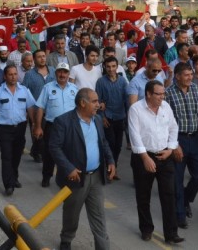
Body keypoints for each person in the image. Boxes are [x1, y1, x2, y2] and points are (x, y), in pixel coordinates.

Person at [49, 88, 116, 250]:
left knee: (98, 215)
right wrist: (68, 168)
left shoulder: (98, 120)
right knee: (72, 214)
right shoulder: (63, 121)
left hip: (96, 177)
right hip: (76, 178)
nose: (98, 105)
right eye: (94, 101)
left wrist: (111, 161)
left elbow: (104, 142)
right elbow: (54, 147)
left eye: (97, 101)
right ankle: (66, 239)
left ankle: (103, 247)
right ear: (82, 103)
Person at [129, 80, 183, 244]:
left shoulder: (166, 107)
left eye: (163, 93)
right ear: (148, 94)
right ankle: (146, 229)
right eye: (158, 94)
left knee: (169, 195)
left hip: (165, 156)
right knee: (143, 196)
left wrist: (171, 149)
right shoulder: (136, 109)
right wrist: (145, 158)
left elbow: (173, 128)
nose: (162, 97)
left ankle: (171, 234)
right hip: (143, 157)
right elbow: (134, 135)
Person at [165, 62, 198, 230]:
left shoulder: (196, 90)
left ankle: (185, 198)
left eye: (191, 74)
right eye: (186, 75)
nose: (190, 77)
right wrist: (173, 144)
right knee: (177, 179)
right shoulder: (168, 94)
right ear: (177, 76)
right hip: (178, 141)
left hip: (196, 139)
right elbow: (165, 122)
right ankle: (180, 215)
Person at [0, 65, 37, 196]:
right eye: (10, 74)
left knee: (16, 155)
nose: (13, 77)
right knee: (6, 156)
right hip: (3, 129)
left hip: (20, 128)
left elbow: (31, 108)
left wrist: (34, 124)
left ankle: (14, 177)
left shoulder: (24, 90)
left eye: (15, 74)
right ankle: (8, 185)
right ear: (5, 76)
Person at [34, 62, 79, 188]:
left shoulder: (74, 89)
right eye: (59, 71)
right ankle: (46, 177)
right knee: (49, 153)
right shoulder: (48, 88)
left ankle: (64, 179)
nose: (62, 74)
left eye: (65, 72)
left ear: (69, 74)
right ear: (55, 73)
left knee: (68, 153)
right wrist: (38, 126)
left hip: (70, 127)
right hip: (52, 126)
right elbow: (40, 108)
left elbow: (78, 109)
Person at [95, 56, 128, 174]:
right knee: (110, 143)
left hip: (120, 117)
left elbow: (126, 100)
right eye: (108, 67)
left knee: (118, 145)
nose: (111, 69)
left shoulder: (123, 81)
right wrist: (102, 117)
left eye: (113, 66)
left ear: (117, 67)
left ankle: (114, 166)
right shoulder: (100, 82)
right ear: (104, 67)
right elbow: (98, 101)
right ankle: (109, 167)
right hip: (107, 117)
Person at [22, 49, 56, 164]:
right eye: (39, 57)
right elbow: (24, 92)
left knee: (49, 134)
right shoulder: (29, 75)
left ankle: (36, 151)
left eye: (43, 56)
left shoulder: (53, 71)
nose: (42, 59)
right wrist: (27, 110)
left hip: (51, 109)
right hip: (36, 110)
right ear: (34, 60)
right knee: (38, 134)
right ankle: (38, 153)